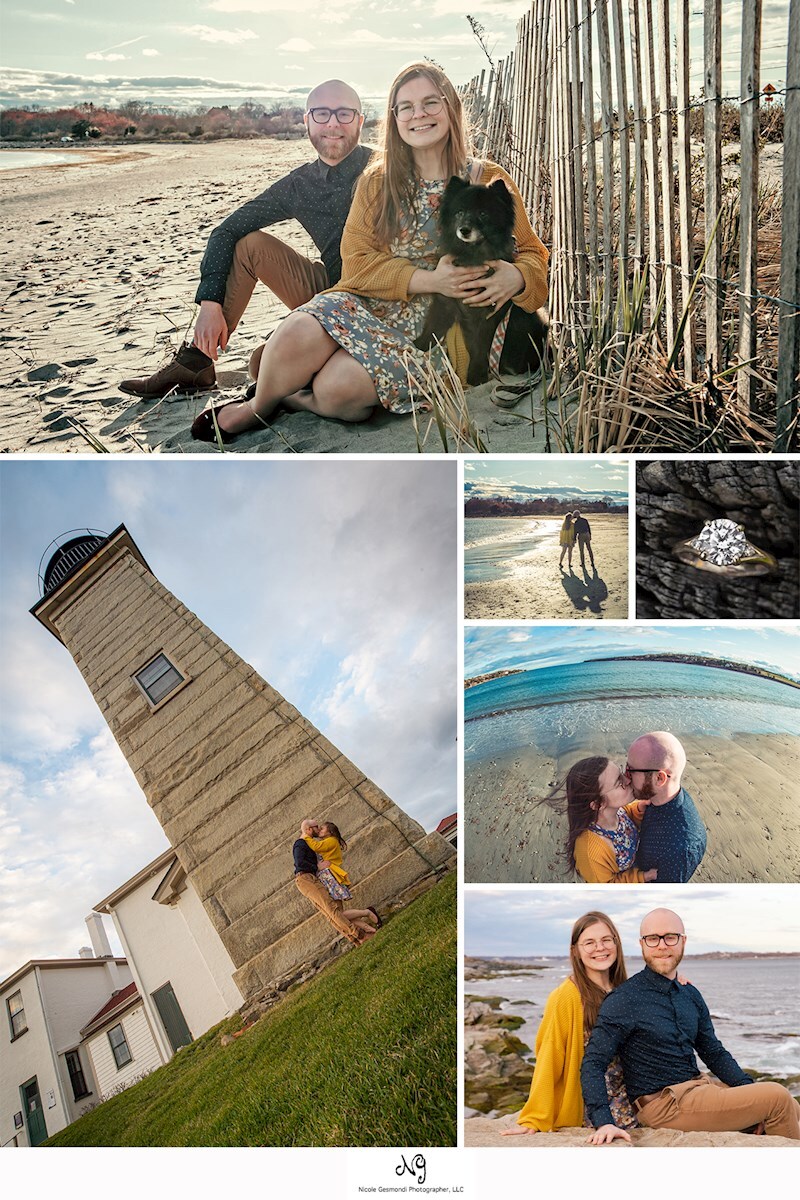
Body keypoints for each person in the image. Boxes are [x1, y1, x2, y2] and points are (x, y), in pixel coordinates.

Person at [191, 60, 549, 442]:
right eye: (406, 107)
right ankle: (258, 407)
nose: (419, 115)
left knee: (337, 391)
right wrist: (430, 279)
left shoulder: (487, 177)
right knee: (297, 330)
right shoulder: (377, 181)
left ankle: (295, 398)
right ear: (394, 118)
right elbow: (356, 264)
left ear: (451, 108)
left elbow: (534, 254)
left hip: (436, 330)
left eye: (431, 103)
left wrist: (518, 276)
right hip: (371, 302)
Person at [119, 80, 373, 398]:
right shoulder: (299, 184)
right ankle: (196, 362)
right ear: (306, 120)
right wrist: (209, 304)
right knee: (249, 245)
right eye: (321, 113)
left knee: (259, 364)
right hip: (329, 291)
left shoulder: (385, 169)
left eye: (344, 114)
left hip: (381, 295)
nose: (333, 123)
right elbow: (225, 230)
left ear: (360, 121)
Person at [582, 908, 800, 1143]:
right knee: (777, 1096)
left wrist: (747, 1092)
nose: (662, 946)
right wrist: (603, 1121)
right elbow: (593, 1062)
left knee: (792, 1107)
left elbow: (713, 1052)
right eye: (653, 938)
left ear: (683, 941)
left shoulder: (690, 994)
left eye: (670, 937)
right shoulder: (625, 999)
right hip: (663, 1105)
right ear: (642, 944)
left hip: (698, 1090)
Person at [501, 911, 637, 1135]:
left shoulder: (624, 991)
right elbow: (549, 1054)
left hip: (633, 1094)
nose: (600, 948)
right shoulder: (566, 996)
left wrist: (674, 980)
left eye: (606, 940)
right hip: (595, 1106)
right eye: (589, 943)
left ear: (616, 942)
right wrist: (533, 1118)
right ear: (576, 950)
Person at [560, 757, 658, 884]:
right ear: (597, 804)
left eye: (622, 773)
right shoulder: (591, 852)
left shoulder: (617, 809)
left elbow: (626, 813)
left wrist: (638, 809)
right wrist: (642, 877)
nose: (628, 780)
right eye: (619, 782)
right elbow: (608, 885)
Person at [626, 732, 707, 883]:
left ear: (659, 778)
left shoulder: (679, 850)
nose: (625, 778)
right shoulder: (659, 797)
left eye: (630, 771)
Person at [301, 819, 380, 939]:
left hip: (329, 877)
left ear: (330, 832)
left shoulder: (331, 841)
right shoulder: (329, 841)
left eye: (322, 828)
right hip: (327, 876)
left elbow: (316, 846)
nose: (320, 830)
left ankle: (367, 913)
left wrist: (305, 836)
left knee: (338, 914)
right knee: (339, 913)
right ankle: (369, 928)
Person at [292, 824, 366, 946]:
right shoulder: (301, 843)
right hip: (306, 878)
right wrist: (316, 866)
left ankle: (354, 939)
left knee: (330, 912)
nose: (319, 828)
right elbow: (300, 863)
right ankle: (360, 934)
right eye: (316, 827)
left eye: (321, 827)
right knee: (331, 909)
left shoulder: (324, 841)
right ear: (309, 829)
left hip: (310, 878)